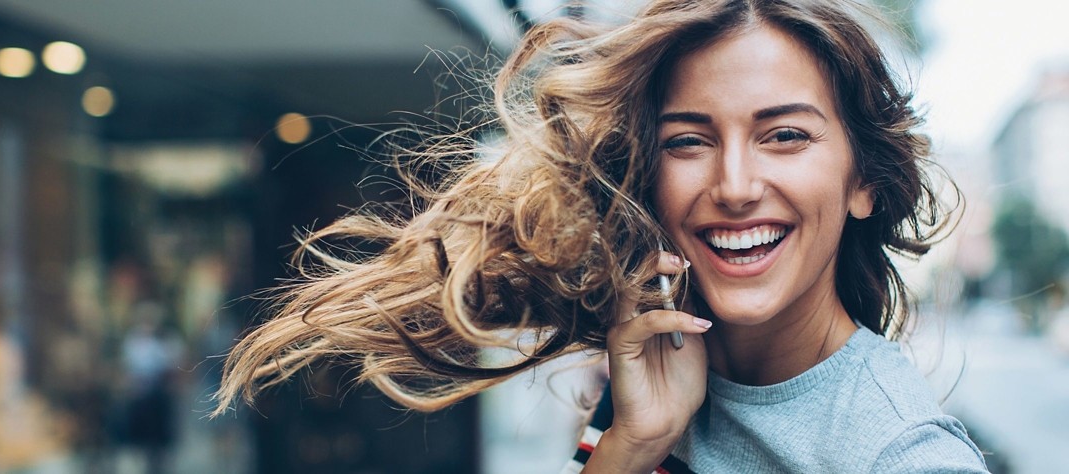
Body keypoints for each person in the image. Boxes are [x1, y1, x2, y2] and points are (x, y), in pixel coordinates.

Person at [215, 0, 988, 471]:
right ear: (648, 173)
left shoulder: (903, 455)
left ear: (864, 183)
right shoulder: (660, 379)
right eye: (689, 141)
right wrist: (630, 447)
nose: (736, 184)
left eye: (784, 136)